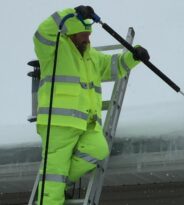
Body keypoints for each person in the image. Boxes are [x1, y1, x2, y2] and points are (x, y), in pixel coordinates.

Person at [33, 6, 149, 204]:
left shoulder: (92, 56)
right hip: (58, 123)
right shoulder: (54, 49)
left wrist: (133, 56)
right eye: (83, 34)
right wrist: (72, 12)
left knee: (98, 149)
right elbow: (43, 31)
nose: (87, 38)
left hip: (87, 123)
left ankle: (62, 183)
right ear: (71, 31)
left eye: (89, 33)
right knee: (53, 175)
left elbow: (115, 66)